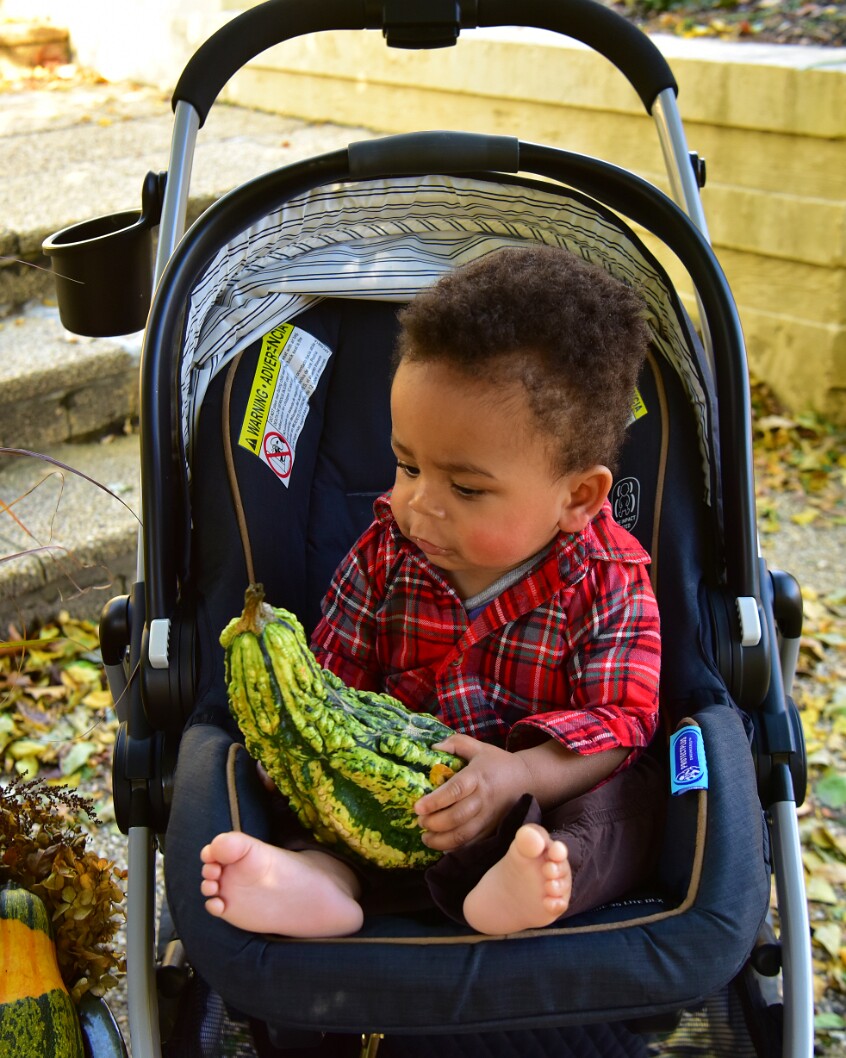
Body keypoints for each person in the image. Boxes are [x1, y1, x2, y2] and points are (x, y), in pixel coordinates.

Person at [199, 245, 664, 938]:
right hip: (397, 805)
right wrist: (294, 742)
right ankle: (322, 883)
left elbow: (617, 724)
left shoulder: (608, 579)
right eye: (406, 464)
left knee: (626, 806)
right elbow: (332, 686)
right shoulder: (387, 550)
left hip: (531, 810)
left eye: (467, 488)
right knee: (320, 809)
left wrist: (516, 777)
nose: (419, 504)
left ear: (578, 496)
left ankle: (530, 885)